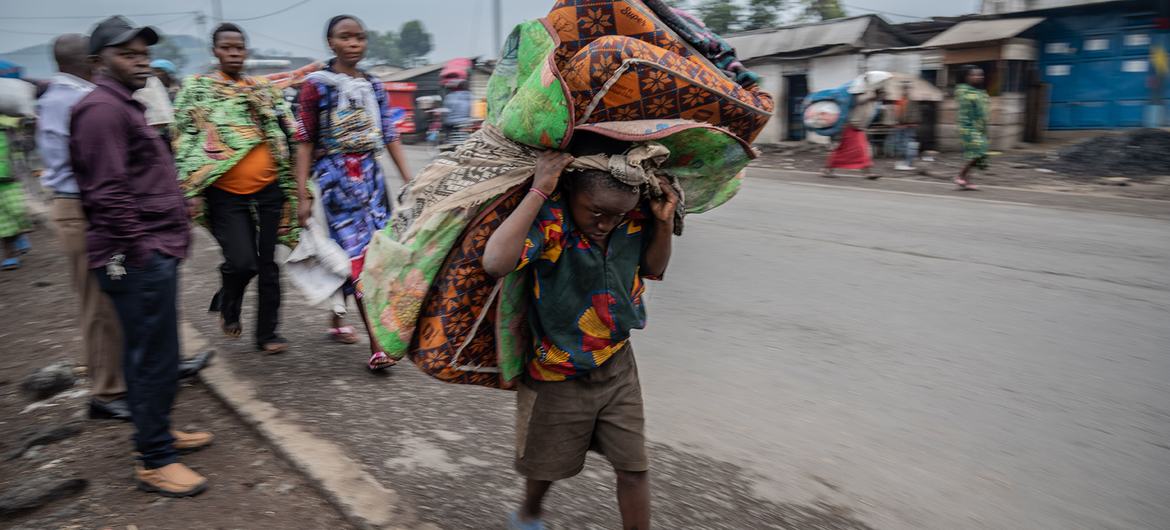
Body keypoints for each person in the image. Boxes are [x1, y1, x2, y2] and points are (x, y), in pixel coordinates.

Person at [482, 147, 679, 530]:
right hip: (556, 370)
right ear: (570, 192)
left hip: (618, 365)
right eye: (596, 212)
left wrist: (664, 224)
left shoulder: (633, 222)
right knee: (544, 465)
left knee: (634, 468)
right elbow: (495, 262)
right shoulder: (552, 226)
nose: (605, 223)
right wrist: (539, 189)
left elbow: (654, 268)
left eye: (616, 215)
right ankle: (530, 512)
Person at [71, 16, 212, 497]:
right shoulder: (100, 112)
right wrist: (143, 250)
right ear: (97, 63)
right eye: (127, 54)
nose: (141, 61)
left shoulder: (125, 105)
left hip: (146, 250)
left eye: (143, 53)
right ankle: (154, 459)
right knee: (150, 355)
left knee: (158, 350)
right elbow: (108, 194)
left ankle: (160, 431)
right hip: (129, 256)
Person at [294, 14, 413, 371]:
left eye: (360, 37)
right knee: (360, 258)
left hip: (373, 180)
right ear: (330, 42)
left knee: (378, 252)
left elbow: (389, 134)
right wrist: (302, 193)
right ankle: (379, 344)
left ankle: (337, 317)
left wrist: (409, 179)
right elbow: (304, 141)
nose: (354, 44)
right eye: (345, 37)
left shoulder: (375, 85)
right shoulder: (316, 86)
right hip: (336, 181)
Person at [174, 23, 296, 354]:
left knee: (269, 264)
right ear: (215, 51)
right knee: (243, 263)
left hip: (270, 191)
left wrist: (302, 186)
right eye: (227, 47)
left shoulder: (263, 90)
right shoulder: (198, 90)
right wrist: (192, 190)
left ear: (246, 51)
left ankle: (268, 333)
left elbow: (288, 130)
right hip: (226, 195)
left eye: (239, 47)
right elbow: (185, 139)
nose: (234, 52)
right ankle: (228, 302)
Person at [0, 120, 31, 270]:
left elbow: (25, 146)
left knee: (17, 211)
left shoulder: (9, 127)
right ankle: (10, 255)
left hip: (12, 179)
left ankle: (19, 234)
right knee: (3, 222)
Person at [955, 65, 990, 190]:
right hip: (968, 126)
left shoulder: (980, 92)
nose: (979, 77)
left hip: (979, 128)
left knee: (976, 153)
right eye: (974, 74)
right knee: (978, 150)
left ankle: (966, 180)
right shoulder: (964, 91)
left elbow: (983, 110)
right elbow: (968, 109)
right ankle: (961, 175)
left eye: (981, 74)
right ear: (967, 77)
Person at [893, 80, 920, 172]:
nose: (904, 90)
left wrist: (906, 123)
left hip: (908, 126)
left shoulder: (911, 100)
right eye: (903, 88)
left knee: (908, 144)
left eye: (906, 88)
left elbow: (913, 114)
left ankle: (908, 163)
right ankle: (904, 162)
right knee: (901, 144)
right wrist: (898, 123)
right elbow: (899, 113)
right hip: (902, 125)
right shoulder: (901, 100)